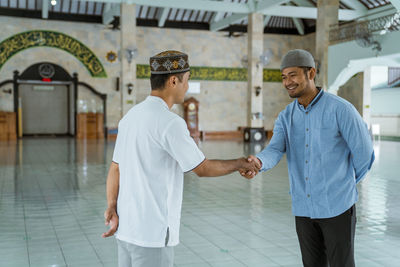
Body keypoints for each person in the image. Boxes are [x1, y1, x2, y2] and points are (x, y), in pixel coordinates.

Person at [102, 50, 260, 267]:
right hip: (152, 234)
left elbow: (115, 169)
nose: (187, 86)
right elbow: (202, 168)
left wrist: (111, 205)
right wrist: (241, 163)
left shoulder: (130, 117)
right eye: (186, 80)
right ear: (173, 80)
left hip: (125, 229)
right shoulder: (170, 123)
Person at [244, 49, 374, 267]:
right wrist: (259, 162)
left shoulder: (340, 110)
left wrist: (343, 185)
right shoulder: (286, 116)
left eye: (293, 75)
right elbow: (275, 149)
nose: (288, 82)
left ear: (311, 73)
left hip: (338, 207)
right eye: (284, 77)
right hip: (303, 208)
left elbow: (364, 155)